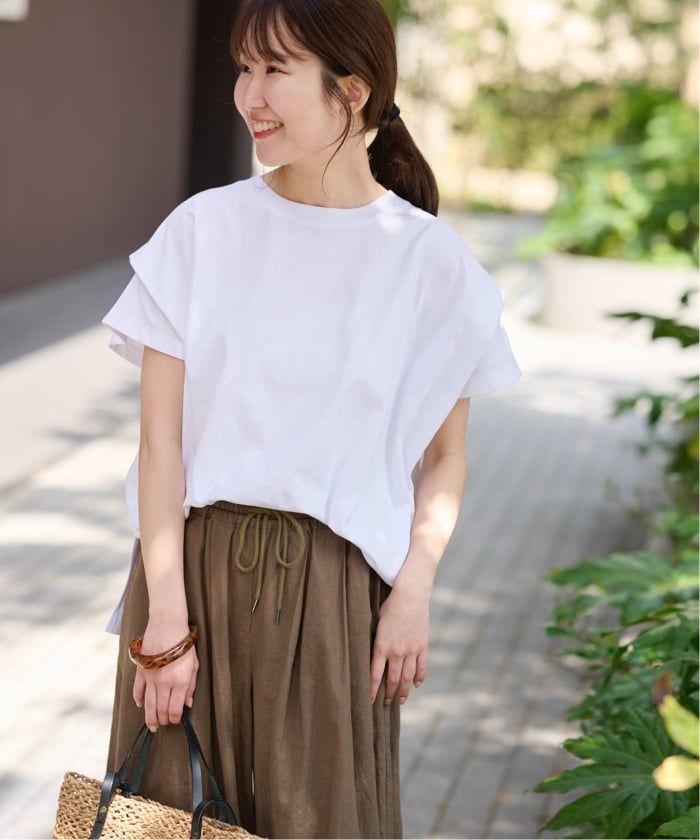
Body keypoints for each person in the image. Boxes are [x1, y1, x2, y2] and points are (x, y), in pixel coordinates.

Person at [100, 1, 522, 837]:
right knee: (164, 821)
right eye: (243, 67)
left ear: (351, 92)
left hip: (336, 597)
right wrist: (167, 618)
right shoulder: (203, 232)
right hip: (192, 577)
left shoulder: (429, 263)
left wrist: (414, 591)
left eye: (275, 69)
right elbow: (158, 446)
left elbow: (444, 457)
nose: (248, 94)